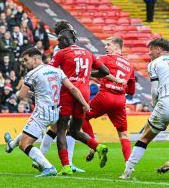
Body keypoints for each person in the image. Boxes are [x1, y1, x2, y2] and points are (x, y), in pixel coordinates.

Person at [3, 48, 90, 177]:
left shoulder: (32, 74)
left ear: (36, 58)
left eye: (26, 60)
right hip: (56, 113)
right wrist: (84, 103)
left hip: (41, 113)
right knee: (29, 132)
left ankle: (48, 167)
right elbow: (72, 88)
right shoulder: (57, 71)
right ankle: (11, 145)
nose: (25, 63)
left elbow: (21, 96)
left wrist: (23, 94)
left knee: (24, 144)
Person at [49, 21, 110, 175]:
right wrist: (89, 75)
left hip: (68, 92)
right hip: (84, 92)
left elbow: (49, 73)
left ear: (66, 40)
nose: (58, 44)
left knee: (61, 130)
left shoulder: (61, 53)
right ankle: (98, 147)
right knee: (75, 130)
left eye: (59, 41)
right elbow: (105, 71)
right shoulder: (88, 53)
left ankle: (66, 166)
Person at [120, 38, 169, 179]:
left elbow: (154, 90)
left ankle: (127, 171)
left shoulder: (155, 63)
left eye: (151, 49)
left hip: (165, 102)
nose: (149, 53)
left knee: (145, 137)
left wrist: (154, 101)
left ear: (158, 49)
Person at [82, 37, 136, 163]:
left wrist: (89, 75)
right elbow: (131, 91)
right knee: (123, 134)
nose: (105, 47)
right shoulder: (129, 65)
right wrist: (119, 84)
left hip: (105, 96)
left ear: (116, 47)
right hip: (120, 100)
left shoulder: (106, 58)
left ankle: (94, 146)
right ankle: (129, 167)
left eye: (108, 45)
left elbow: (90, 66)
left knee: (82, 116)